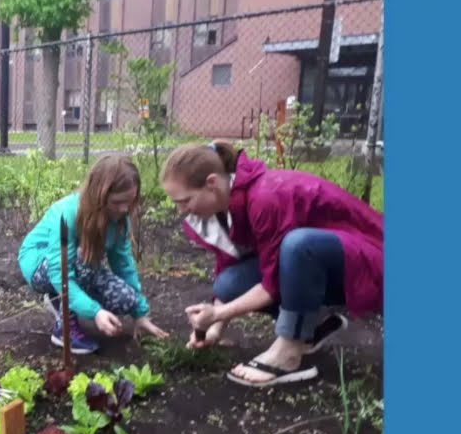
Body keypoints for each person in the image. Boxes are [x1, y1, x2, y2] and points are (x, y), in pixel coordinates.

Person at [161, 141, 384, 387]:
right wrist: (215, 327)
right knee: (227, 284)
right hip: (324, 268)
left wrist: (219, 312)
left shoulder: (265, 196)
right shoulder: (226, 209)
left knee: (299, 245)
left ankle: (288, 350)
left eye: (185, 200)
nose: (182, 211)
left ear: (211, 183)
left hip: (370, 262)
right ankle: (314, 325)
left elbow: (273, 282)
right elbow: (229, 264)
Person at [18, 154, 169, 354]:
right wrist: (95, 312)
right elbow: (60, 273)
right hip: (41, 265)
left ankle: (66, 301)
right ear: (98, 195)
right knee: (82, 260)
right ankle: (65, 328)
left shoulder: (119, 219)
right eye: (117, 202)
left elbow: (123, 265)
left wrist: (139, 314)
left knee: (125, 299)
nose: (124, 208)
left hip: (84, 267)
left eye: (130, 201)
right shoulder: (67, 213)